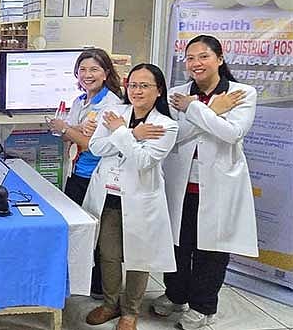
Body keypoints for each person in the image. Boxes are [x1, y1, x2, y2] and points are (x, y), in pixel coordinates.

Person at [151, 35, 258, 330]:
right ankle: (175, 295)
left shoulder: (242, 93)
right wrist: (212, 111)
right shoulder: (177, 94)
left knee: (211, 250)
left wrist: (195, 109)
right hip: (181, 184)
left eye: (203, 56)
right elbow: (174, 135)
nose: (196, 63)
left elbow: (232, 133)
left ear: (219, 59)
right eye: (190, 58)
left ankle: (203, 306)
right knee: (178, 244)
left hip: (219, 185)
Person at [82, 63, 178, 330]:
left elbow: (143, 160)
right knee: (108, 255)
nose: (137, 91)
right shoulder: (114, 113)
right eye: (133, 85)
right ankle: (110, 304)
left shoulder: (166, 125)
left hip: (140, 200)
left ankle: (130, 311)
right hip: (108, 196)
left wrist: (121, 133)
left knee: (138, 257)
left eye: (144, 85)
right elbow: (95, 147)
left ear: (159, 90)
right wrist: (133, 134)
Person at [49, 48, 123, 298]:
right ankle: (81, 278)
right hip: (76, 172)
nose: (87, 75)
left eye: (94, 69)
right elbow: (69, 137)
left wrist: (67, 129)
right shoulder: (80, 101)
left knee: (100, 235)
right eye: (82, 69)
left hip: (97, 176)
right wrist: (71, 131)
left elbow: (93, 145)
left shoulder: (111, 105)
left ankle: (100, 287)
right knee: (78, 228)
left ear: (106, 73)